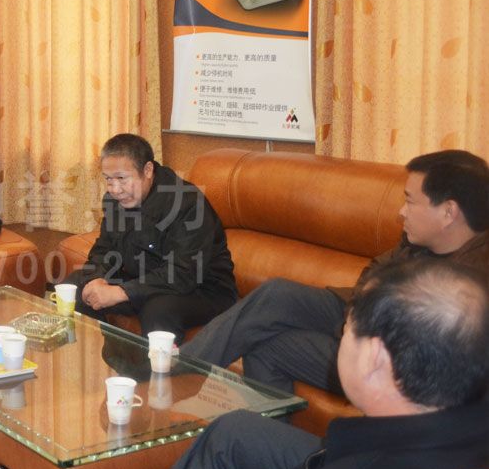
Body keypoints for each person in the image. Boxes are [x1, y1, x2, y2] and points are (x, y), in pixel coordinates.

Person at [136, 258, 489, 469]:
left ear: (375, 358)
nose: (341, 336)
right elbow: (339, 457)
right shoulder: (467, 426)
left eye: (347, 328)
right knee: (236, 433)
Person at [181, 149, 489, 395]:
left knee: (264, 344)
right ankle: (176, 372)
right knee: (277, 293)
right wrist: (357, 310)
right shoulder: (418, 238)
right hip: (355, 311)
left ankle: (185, 385)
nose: (401, 211)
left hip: (382, 361)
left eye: (410, 201)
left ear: (448, 212)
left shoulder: (472, 285)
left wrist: (356, 326)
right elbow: (375, 270)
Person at [66, 134, 237, 341]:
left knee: (158, 310)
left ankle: (159, 364)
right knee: (78, 287)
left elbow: (183, 273)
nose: (115, 189)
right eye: (108, 179)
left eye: (122, 178)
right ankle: (92, 356)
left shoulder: (187, 203)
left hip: (202, 289)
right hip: (144, 280)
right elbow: (104, 249)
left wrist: (122, 292)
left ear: (147, 170)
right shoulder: (114, 201)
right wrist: (96, 279)